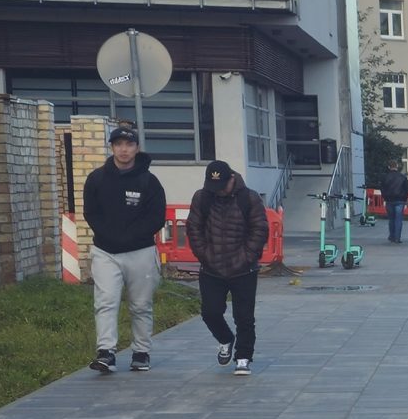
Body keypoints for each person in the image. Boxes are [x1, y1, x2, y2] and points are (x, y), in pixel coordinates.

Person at [82, 125, 168, 375]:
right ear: (112, 147)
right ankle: (106, 353)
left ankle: (141, 352)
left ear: (137, 148)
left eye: (129, 145)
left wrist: (131, 236)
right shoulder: (96, 179)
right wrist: (109, 236)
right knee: (106, 301)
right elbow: (91, 212)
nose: (124, 150)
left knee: (140, 305)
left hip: (140, 251)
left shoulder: (149, 182)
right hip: (105, 252)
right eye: (118, 144)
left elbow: (156, 217)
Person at [185, 160, 268, 375]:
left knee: (244, 317)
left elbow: (260, 229)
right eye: (215, 187)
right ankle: (225, 339)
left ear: (232, 178)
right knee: (210, 312)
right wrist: (204, 255)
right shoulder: (202, 197)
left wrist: (247, 257)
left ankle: (243, 357)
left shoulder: (249, 198)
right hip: (211, 268)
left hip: (244, 268)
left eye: (223, 186)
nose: (219, 191)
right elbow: (193, 228)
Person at [382, 163, 408, 244]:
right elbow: (407, 189)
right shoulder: (402, 177)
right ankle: (397, 238)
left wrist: (385, 197)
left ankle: (392, 236)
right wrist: (405, 198)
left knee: (391, 219)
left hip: (389, 200)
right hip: (400, 200)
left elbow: (382, 188)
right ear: (397, 166)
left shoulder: (385, 177)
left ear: (389, 167)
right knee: (398, 219)